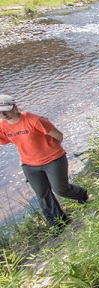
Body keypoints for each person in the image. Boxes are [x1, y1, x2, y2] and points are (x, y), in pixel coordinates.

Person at [0, 95, 88, 230]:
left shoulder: (35, 120)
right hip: (29, 165)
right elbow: (3, 140)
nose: (3, 114)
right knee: (43, 195)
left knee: (60, 189)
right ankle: (58, 223)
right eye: (0, 112)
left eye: (6, 110)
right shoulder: (3, 125)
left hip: (54, 160)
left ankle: (81, 193)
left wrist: (48, 149)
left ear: (15, 106)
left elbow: (58, 136)